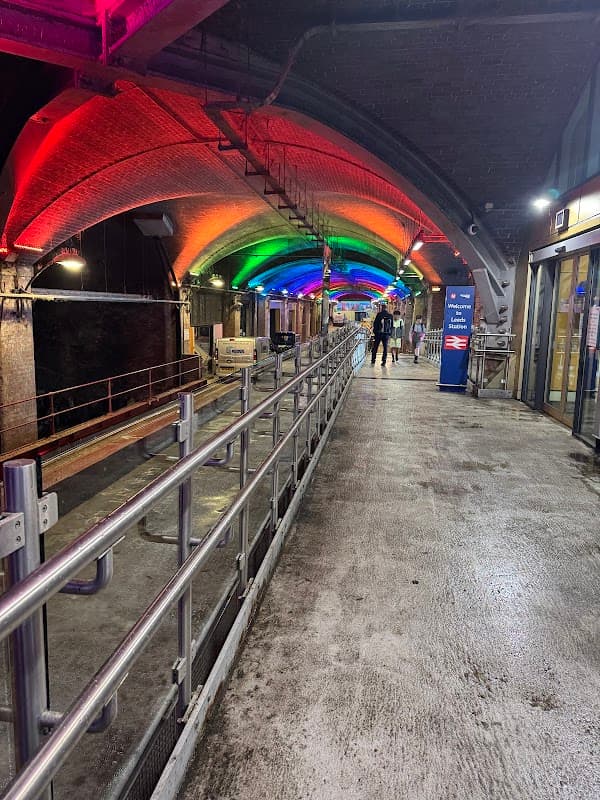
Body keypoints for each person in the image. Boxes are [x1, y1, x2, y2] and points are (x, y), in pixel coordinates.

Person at [371, 302, 394, 366]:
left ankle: (373, 359)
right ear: (387, 308)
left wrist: (375, 332)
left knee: (375, 347)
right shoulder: (390, 316)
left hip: (378, 333)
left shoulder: (379, 314)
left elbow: (375, 324)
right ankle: (384, 361)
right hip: (386, 334)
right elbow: (392, 326)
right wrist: (389, 334)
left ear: (381, 308)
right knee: (385, 348)